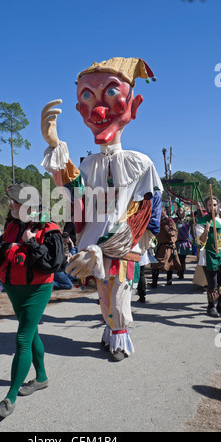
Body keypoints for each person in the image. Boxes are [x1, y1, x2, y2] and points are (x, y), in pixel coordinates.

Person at [41, 57, 162, 361]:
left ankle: (120, 337)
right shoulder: (88, 164)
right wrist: (56, 146)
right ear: (80, 110)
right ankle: (110, 331)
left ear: (132, 106)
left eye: (110, 94)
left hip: (124, 244)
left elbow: (149, 208)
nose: (97, 110)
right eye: (86, 96)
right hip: (95, 242)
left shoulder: (140, 162)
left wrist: (127, 240)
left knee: (120, 290)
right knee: (104, 292)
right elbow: (75, 195)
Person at [0, 183, 66, 418]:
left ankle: (9, 398)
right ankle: (41, 378)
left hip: (36, 291)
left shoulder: (49, 228)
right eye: (11, 200)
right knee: (31, 333)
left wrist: (30, 243)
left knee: (23, 338)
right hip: (13, 288)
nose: (11, 204)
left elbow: (55, 264)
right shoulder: (12, 224)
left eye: (16, 201)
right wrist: (10, 248)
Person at [196, 195, 221, 317]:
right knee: (212, 284)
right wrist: (206, 231)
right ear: (206, 207)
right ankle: (211, 307)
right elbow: (201, 241)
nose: (213, 207)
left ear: (218, 206)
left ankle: (220, 304)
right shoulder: (202, 222)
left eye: (215, 205)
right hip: (208, 258)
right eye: (210, 205)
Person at [151, 209, 182, 287]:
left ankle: (169, 280)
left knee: (170, 265)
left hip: (169, 247)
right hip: (161, 246)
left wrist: (168, 230)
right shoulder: (158, 221)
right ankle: (154, 283)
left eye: (162, 212)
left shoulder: (170, 221)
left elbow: (174, 233)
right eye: (160, 212)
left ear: (165, 212)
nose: (161, 213)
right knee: (156, 264)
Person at [174, 204, 193, 279]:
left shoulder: (188, 220)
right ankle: (179, 270)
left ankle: (181, 272)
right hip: (177, 242)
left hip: (184, 243)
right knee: (177, 258)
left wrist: (198, 210)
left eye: (181, 210)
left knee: (182, 259)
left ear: (184, 212)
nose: (180, 212)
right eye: (178, 211)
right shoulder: (175, 220)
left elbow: (198, 220)